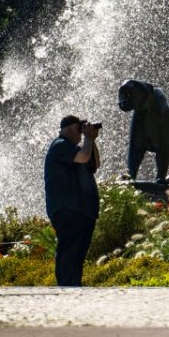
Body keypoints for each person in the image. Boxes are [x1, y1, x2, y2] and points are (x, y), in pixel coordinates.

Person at [44, 115, 101, 287]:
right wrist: (88, 138)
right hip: (68, 210)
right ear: (69, 129)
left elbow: (95, 164)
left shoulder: (77, 149)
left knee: (78, 254)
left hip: (83, 211)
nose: (81, 134)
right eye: (79, 130)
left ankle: (73, 286)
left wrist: (92, 139)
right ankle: (66, 286)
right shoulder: (60, 146)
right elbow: (83, 157)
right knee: (69, 250)